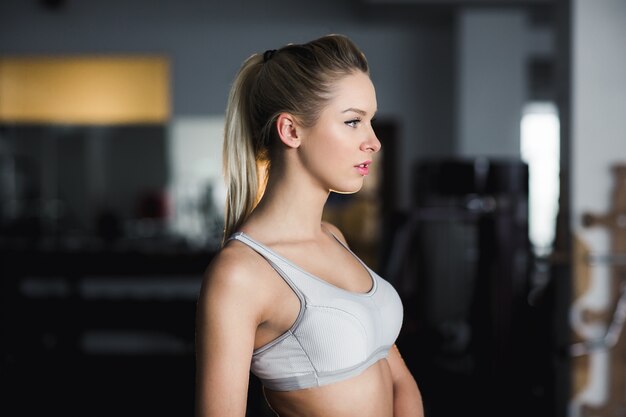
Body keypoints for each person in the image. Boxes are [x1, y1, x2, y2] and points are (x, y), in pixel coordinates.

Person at [195, 34, 424, 417]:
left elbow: (398, 379)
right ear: (291, 131)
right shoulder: (240, 274)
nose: (374, 142)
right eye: (353, 121)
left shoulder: (333, 238)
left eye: (370, 121)